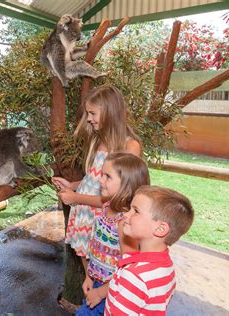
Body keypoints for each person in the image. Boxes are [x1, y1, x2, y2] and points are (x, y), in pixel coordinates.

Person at [52, 85, 142, 270]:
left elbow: (119, 198)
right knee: (90, 274)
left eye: (93, 113)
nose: (89, 119)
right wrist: (73, 185)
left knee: (104, 271)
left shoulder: (129, 146)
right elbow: (93, 179)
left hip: (103, 223)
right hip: (85, 217)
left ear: (109, 112)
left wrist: (75, 198)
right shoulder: (99, 141)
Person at [76, 153, 150, 316]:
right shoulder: (107, 206)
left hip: (112, 292)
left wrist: (101, 292)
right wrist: (90, 276)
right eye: (102, 174)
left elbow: (127, 271)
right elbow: (97, 247)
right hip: (98, 283)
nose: (100, 180)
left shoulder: (125, 222)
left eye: (107, 177)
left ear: (126, 185)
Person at [104, 186, 195, 315]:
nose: (126, 214)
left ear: (160, 229)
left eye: (136, 211)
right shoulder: (166, 267)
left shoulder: (135, 277)